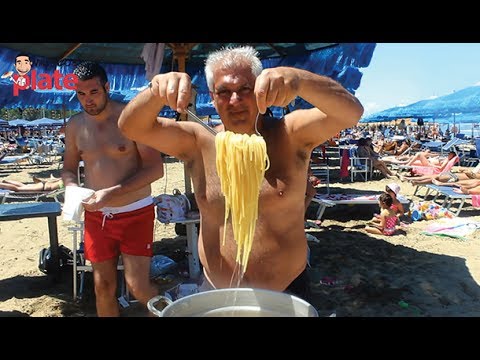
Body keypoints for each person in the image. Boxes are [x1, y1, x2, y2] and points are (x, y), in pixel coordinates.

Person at [118, 45, 364, 302]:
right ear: (213, 97)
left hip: (287, 289)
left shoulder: (290, 133)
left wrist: (299, 80)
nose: (235, 101)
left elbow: (350, 113)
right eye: (224, 92)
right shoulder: (197, 140)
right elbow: (131, 127)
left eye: (245, 89)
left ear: (261, 91)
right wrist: (155, 91)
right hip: (218, 290)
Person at [61, 61, 165, 317]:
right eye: (81, 94)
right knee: (102, 286)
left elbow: (155, 169)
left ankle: (171, 313)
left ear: (107, 87)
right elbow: (68, 168)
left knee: (138, 286)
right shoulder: (75, 126)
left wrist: (112, 192)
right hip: (97, 217)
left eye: (94, 92)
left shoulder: (129, 119)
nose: (88, 100)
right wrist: (72, 188)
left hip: (135, 212)